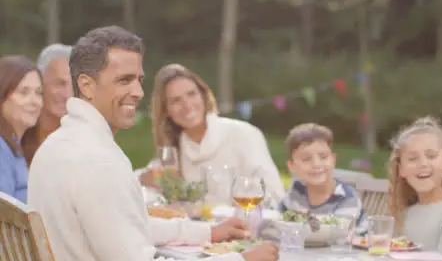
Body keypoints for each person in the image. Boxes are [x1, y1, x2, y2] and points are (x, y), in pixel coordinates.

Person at [27, 25, 278, 261]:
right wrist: (241, 259)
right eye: (124, 80)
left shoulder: (56, 145)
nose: (138, 92)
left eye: (139, 80)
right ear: (86, 85)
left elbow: (127, 225)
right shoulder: (98, 162)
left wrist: (207, 233)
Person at [139, 64, 285, 205]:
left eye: (191, 94)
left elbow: (275, 195)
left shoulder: (244, 134)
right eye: (176, 100)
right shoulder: (173, 149)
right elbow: (142, 180)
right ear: (166, 111)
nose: (187, 105)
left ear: (203, 95)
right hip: (198, 229)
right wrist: (144, 178)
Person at [388, 116, 442, 257]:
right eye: (413, 158)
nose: (423, 163)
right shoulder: (406, 214)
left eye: (431, 156)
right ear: (401, 169)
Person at [280, 123, 365, 222]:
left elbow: (339, 234)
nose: (316, 164)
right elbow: (278, 222)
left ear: (333, 160)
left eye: (323, 157)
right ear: (292, 166)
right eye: (306, 159)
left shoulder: (346, 198)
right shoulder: (296, 191)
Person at [0, 55, 43, 203]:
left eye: (39, 93)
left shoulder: (17, 147)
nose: (34, 101)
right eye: (24, 92)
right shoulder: (1, 149)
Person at [22, 43, 73, 166]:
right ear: (39, 82)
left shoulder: (83, 140)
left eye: (75, 87)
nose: (68, 95)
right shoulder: (17, 132)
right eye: (60, 83)